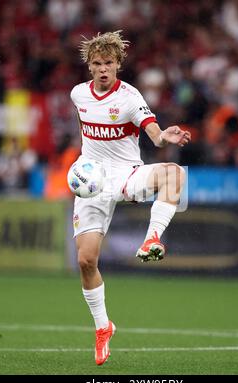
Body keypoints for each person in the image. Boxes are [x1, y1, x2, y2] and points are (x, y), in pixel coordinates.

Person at [70, 31, 191, 366]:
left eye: (109, 63)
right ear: (89, 66)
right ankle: (103, 327)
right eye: (97, 63)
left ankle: (152, 239)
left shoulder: (129, 97)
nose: (104, 69)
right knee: (85, 260)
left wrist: (163, 134)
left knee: (174, 174)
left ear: (118, 64)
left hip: (125, 174)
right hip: (92, 182)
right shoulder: (78, 94)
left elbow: (152, 129)